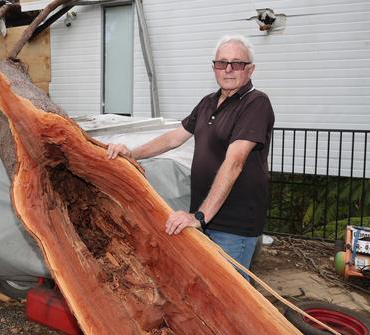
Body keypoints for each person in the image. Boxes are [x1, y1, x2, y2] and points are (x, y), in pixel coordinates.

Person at [106, 34, 274, 277]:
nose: (228, 69)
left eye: (237, 63)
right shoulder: (208, 102)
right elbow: (173, 138)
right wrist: (132, 154)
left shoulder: (256, 103)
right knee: (204, 289)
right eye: (221, 63)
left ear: (250, 69)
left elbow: (234, 162)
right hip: (205, 217)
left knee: (226, 298)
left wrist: (200, 216)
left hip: (233, 226)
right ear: (213, 67)